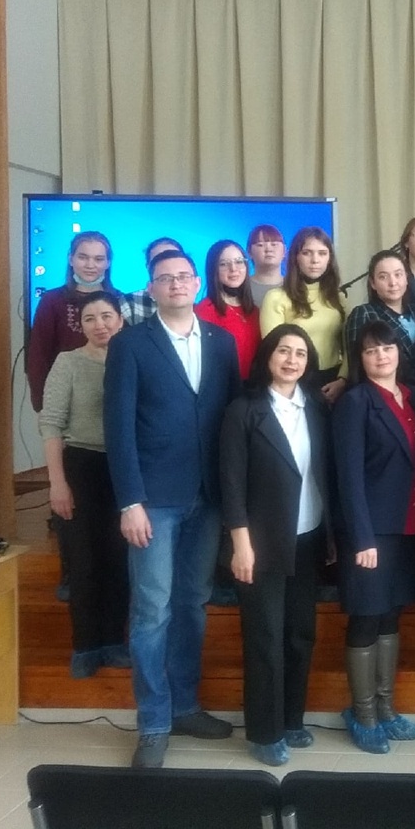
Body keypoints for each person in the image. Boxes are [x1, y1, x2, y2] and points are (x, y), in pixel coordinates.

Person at [104, 248, 242, 769]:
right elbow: (118, 428)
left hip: (208, 498)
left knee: (192, 604)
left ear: (197, 284)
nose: (177, 284)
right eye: (166, 278)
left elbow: (232, 420)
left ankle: (184, 706)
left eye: (185, 276)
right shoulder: (130, 344)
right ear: (152, 288)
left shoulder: (222, 342)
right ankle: (154, 722)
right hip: (153, 502)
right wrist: (130, 501)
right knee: (151, 610)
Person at [219, 324, 335, 767]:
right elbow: (231, 483)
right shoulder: (243, 410)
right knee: (265, 636)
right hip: (260, 542)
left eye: (300, 354)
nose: (292, 360)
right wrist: (240, 544)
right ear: (268, 356)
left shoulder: (316, 407)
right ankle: (264, 733)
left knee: (300, 634)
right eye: (284, 351)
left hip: (308, 537)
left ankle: (291, 719)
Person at [332, 320, 415, 754]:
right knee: (367, 617)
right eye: (370, 351)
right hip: (370, 532)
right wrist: (361, 537)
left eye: (386, 348)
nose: (380, 356)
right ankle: (363, 713)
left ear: (398, 352)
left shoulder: (413, 397)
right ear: (360, 358)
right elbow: (348, 477)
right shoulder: (355, 402)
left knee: (391, 615)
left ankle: (387, 709)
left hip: (406, 526)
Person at [38, 290, 130, 680]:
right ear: (82, 325)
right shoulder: (68, 362)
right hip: (81, 467)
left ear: (120, 319)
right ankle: (86, 646)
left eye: (106, 316)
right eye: (90, 318)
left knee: (119, 561)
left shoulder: (132, 360)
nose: (100, 325)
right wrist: (57, 482)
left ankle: (114, 641)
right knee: (83, 562)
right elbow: (51, 423)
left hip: (124, 468)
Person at [28, 230, 116, 413]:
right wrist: (43, 406)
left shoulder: (120, 301)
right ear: (71, 259)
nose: (90, 265)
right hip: (65, 400)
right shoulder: (51, 301)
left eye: (98, 259)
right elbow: (38, 356)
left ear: (108, 263)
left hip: (112, 399)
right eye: (83, 257)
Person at [259, 227, 348, 404]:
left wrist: (342, 379)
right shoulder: (276, 297)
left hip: (334, 381)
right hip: (292, 380)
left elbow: (349, 345)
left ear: (329, 258)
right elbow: (273, 351)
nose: (315, 260)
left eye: (322, 253)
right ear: (295, 257)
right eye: (307, 253)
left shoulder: (338, 298)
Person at [344, 250, 415, 390]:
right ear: (373, 283)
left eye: (398, 274)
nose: (393, 282)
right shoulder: (364, 313)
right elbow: (356, 367)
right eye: (383, 277)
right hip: (385, 393)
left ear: (406, 278)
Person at [195, 240, 260, 381]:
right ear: (213, 269)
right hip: (223, 389)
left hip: (255, 388)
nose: (233, 269)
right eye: (224, 264)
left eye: (239, 261)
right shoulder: (203, 312)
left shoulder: (254, 311)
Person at [121, 237, 183, 327]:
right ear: (148, 267)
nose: (167, 265)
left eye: (173, 258)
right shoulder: (129, 303)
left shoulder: (191, 302)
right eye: (157, 260)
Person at [246, 224, 286, 306]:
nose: (269, 249)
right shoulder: (241, 287)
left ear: (284, 251)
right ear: (249, 252)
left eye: (274, 244)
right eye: (260, 245)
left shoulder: (296, 287)